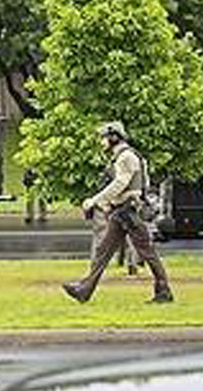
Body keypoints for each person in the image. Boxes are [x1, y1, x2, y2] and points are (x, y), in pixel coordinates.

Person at [63, 122, 173, 303]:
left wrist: (95, 200)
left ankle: (164, 291)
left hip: (129, 213)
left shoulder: (126, 156)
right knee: (103, 252)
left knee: (147, 253)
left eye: (104, 138)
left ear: (114, 137)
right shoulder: (123, 156)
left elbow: (120, 183)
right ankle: (84, 290)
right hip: (122, 212)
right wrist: (110, 203)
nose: (101, 142)